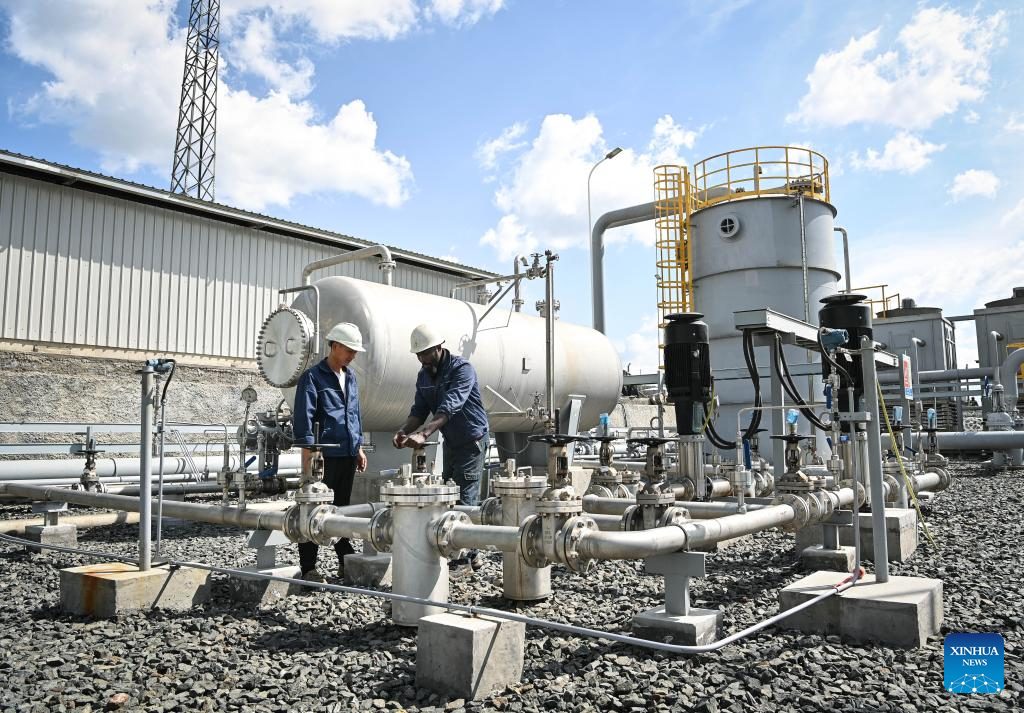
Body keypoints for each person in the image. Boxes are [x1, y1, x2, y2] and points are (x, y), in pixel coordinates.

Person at [393, 324, 489, 574]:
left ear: (439, 347)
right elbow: (419, 411)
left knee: (465, 497)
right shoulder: (424, 376)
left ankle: (464, 559)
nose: (421, 359)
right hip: (452, 441)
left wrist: (424, 433)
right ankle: (469, 554)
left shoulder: (462, 369)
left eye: (425, 353)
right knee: (449, 495)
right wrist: (404, 430)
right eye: (418, 354)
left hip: (471, 440)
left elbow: (449, 406)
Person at [293, 322, 368, 582]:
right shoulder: (313, 377)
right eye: (349, 350)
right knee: (313, 507)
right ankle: (309, 568)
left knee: (341, 508)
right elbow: (304, 417)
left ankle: (345, 559)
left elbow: (354, 414)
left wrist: (358, 447)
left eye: (355, 352)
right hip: (323, 456)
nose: (353, 356)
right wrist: (309, 454)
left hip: (347, 453)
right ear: (335, 346)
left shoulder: (351, 377)